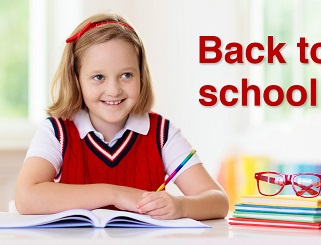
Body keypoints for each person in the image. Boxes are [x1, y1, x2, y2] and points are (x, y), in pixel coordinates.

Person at [15, 13, 229, 220]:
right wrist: (114, 194)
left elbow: (218, 201)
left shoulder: (161, 132)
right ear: (76, 79)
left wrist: (181, 206)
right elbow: (25, 198)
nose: (114, 90)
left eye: (126, 75)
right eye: (98, 77)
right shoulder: (56, 131)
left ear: (141, 75)